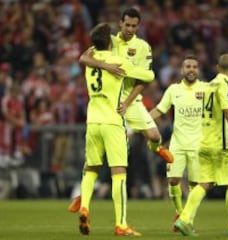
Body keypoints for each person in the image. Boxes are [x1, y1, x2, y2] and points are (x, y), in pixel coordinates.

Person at [68, 7, 173, 212]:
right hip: (110, 103)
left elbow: (144, 79)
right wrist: (106, 66)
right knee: (101, 158)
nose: (130, 29)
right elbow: (84, 58)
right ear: (120, 24)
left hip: (130, 100)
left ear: (139, 26)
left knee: (153, 135)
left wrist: (128, 102)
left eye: (134, 26)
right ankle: (83, 196)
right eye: (127, 25)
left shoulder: (143, 47)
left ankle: (157, 148)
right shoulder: (109, 42)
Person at [77, 22, 154, 236]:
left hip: (92, 121)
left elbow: (83, 55)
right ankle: (121, 224)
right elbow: (149, 77)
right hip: (112, 121)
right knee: (118, 172)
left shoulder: (90, 62)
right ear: (109, 41)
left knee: (91, 168)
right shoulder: (119, 61)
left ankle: (84, 206)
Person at [174, 54, 228, 237]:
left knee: (204, 184)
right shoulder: (226, 86)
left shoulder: (209, 85)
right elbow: (227, 112)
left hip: (204, 142)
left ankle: (184, 219)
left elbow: (223, 104)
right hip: (222, 144)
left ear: (218, 68)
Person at [149, 55, 205, 230]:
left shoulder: (206, 89)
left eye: (194, 67)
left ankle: (188, 220)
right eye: (187, 66)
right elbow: (159, 109)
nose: (191, 69)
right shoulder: (173, 90)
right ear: (182, 70)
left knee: (195, 185)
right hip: (178, 143)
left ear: (198, 70)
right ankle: (180, 213)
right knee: (173, 180)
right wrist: (143, 122)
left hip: (199, 144)